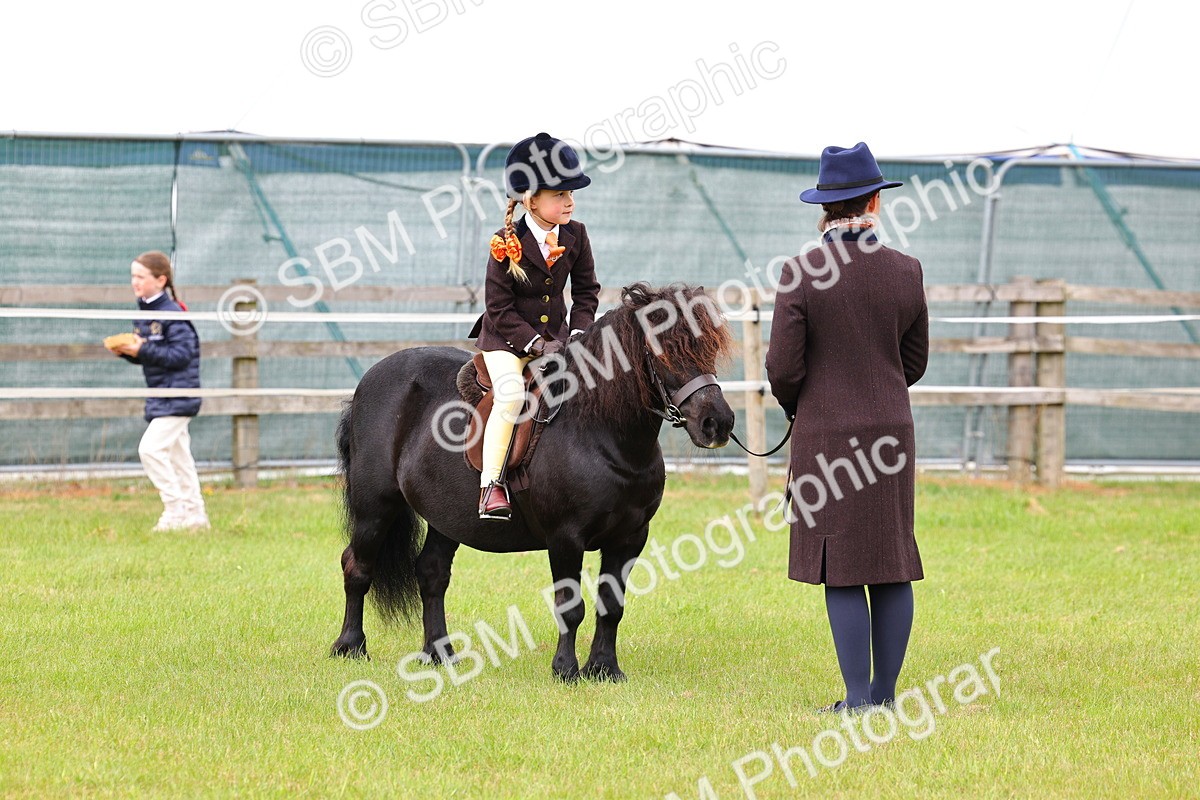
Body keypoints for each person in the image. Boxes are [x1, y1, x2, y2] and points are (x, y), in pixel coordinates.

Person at [765, 142, 929, 712]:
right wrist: (879, 387)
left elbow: (783, 368)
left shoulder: (800, 273)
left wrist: (801, 404)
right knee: (891, 561)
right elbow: (914, 363)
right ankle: (884, 695)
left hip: (825, 435)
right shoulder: (907, 271)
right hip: (891, 433)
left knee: (840, 566)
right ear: (875, 203)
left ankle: (857, 698)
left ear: (824, 207)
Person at [467, 133, 601, 520]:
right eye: (560, 194)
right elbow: (498, 307)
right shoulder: (505, 241)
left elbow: (587, 291)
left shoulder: (577, 234)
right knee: (511, 396)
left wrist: (579, 334)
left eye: (571, 194)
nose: (570, 202)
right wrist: (536, 345)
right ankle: (491, 486)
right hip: (506, 342)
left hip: (559, 339)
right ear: (531, 200)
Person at [109, 251, 210, 531]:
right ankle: (196, 515)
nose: (135, 282)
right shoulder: (145, 312)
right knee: (180, 458)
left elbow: (182, 354)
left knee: (150, 450)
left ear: (161, 280)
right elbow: (155, 356)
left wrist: (142, 349)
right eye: (133, 276)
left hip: (179, 396)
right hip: (161, 394)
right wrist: (130, 352)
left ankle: (175, 510)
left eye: (141, 276)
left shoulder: (172, 313)